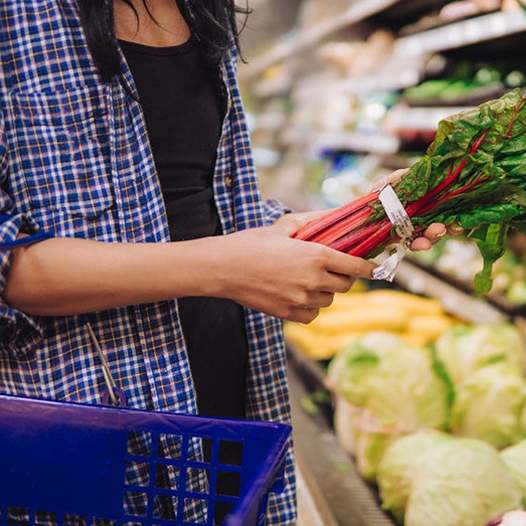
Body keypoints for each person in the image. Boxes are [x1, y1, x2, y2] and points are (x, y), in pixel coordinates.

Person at [0, 1, 444, 523]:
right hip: (84, 428)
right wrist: (226, 268)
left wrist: (365, 220)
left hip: (228, 406)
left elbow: (198, 203)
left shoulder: (202, 11)